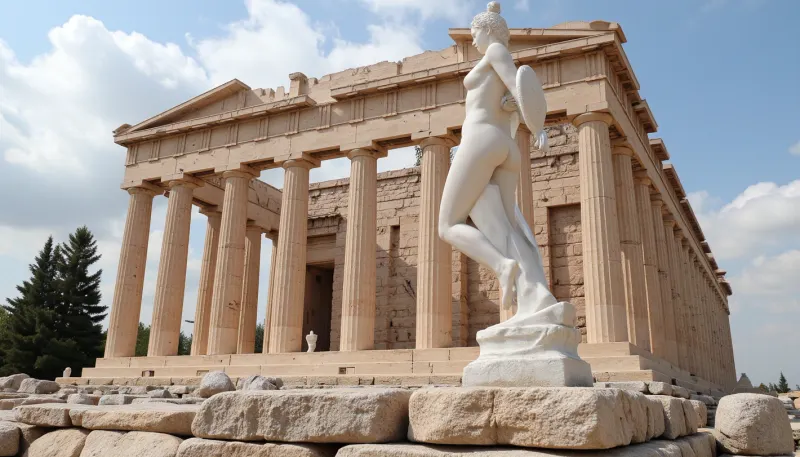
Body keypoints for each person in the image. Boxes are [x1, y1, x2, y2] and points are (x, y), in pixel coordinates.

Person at [438, 1, 556, 319]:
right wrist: (522, 117)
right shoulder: (494, 59)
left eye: (475, 32)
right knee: (509, 226)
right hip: (505, 145)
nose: (473, 39)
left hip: (481, 141)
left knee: (448, 225)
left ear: (489, 30)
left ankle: (502, 266)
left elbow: (516, 84)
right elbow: (516, 95)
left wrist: (537, 127)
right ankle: (536, 295)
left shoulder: (495, 52)